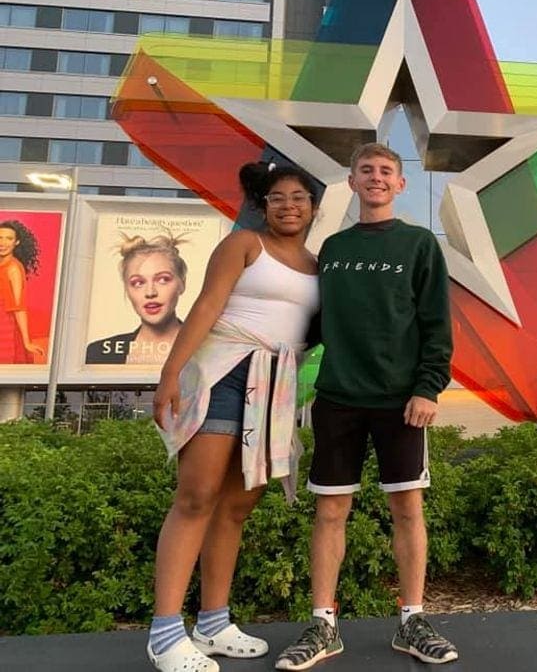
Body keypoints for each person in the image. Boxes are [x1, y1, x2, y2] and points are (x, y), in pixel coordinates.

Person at [276, 142, 455, 670]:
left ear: (400, 185)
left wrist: (429, 386)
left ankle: (412, 621)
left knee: (407, 508)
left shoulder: (419, 244)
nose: (376, 178)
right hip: (337, 400)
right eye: (366, 171)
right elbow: (312, 323)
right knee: (330, 511)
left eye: (386, 171)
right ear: (352, 183)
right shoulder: (331, 248)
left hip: (403, 403)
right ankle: (323, 626)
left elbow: (436, 324)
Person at [147, 162, 320, 672]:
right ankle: (164, 633)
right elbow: (204, 306)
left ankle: (214, 623)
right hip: (224, 371)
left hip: (276, 386)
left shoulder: (317, 265)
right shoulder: (244, 244)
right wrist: (170, 374)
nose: (288, 205)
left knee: (237, 506)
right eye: (277, 198)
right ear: (263, 206)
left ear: (313, 207)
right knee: (197, 496)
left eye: (299, 198)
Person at [86, 232, 188, 365]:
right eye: (138, 283)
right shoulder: (99, 354)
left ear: (182, 284)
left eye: (163, 279)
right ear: (127, 289)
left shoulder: (209, 349)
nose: (150, 292)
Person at [0, 219, 45, 364]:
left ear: (17, 242)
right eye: (0, 238)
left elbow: (19, 308)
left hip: (5, 332)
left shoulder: (13, 268)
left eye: (9, 238)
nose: (3, 243)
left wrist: (26, 342)